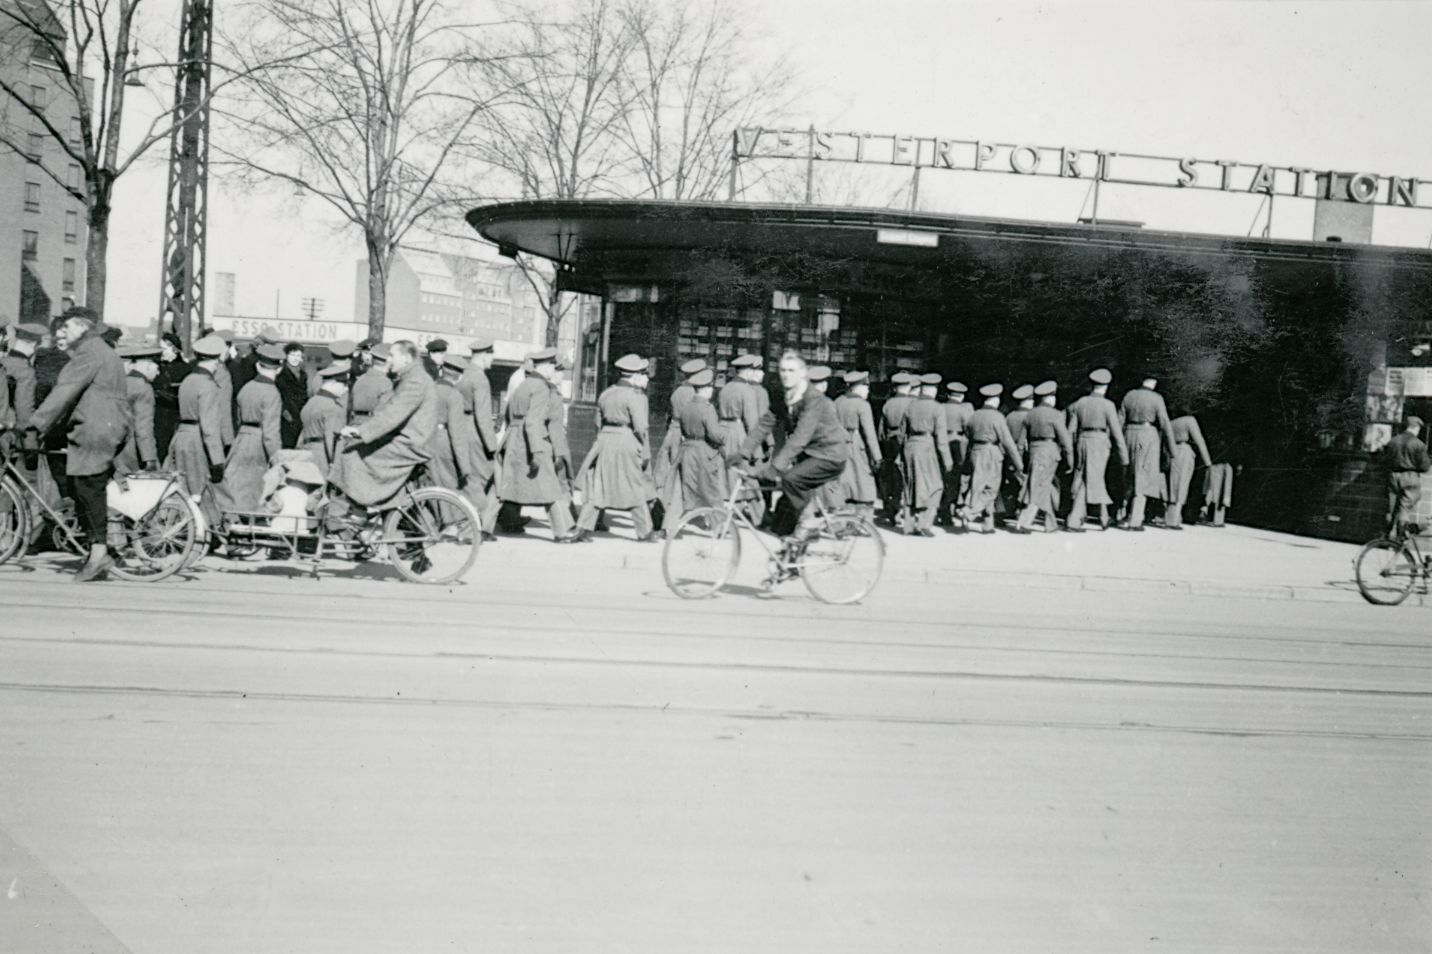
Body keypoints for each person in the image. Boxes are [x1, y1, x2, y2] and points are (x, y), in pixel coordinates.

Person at [28, 307, 130, 581]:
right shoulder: (101, 350)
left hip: (95, 428)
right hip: (105, 424)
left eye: (69, 326)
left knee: (88, 486)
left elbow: (64, 391)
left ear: (84, 327)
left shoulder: (89, 352)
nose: (64, 331)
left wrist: (35, 423)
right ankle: (99, 549)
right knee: (83, 487)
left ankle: (99, 554)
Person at [736, 351, 846, 554]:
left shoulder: (813, 399)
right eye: (783, 370)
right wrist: (743, 452)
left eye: (791, 370)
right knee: (783, 515)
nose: (786, 375)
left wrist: (775, 467)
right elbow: (765, 423)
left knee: (791, 479)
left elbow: (800, 436)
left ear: (803, 373)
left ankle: (810, 524)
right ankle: (791, 559)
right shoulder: (784, 395)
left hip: (829, 455)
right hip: (809, 456)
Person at [330, 340, 437, 513]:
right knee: (360, 451)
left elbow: (394, 414)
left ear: (406, 358)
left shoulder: (415, 380)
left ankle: (359, 509)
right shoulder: (411, 377)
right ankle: (370, 506)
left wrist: (360, 431)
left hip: (410, 443)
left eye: (392, 356)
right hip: (406, 438)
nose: (389, 360)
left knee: (353, 454)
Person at [567, 353, 659, 543]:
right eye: (642, 374)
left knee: (597, 486)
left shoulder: (606, 393)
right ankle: (644, 532)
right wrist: (644, 452)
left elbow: (598, 422)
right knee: (634, 485)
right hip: (626, 440)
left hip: (604, 441)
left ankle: (582, 528)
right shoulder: (635, 396)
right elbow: (641, 427)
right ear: (635, 375)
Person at [497, 348, 574, 540]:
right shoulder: (541, 388)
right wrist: (538, 451)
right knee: (550, 487)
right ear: (546, 367)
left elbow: (509, 413)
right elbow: (533, 421)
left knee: (508, 485)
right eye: (553, 367)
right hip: (532, 440)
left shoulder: (523, 384)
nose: (554, 371)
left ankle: (489, 526)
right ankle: (562, 531)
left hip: (514, 438)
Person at [165, 334, 228, 529]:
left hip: (181, 436)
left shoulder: (188, 380)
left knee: (181, 486)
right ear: (216, 361)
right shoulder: (208, 385)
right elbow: (210, 428)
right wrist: (217, 460)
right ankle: (200, 530)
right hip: (196, 440)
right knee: (199, 487)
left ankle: (186, 528)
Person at [216, 343, 284, 513]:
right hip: (258, 443)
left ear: (258, 366)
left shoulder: (247, 388)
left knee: (235, 483)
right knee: (252, 489)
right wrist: (277, 458)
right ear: (279, 369)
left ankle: (229, 516)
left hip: (241, 438)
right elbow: (270, 433)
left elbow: (238, 417)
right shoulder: (272, 393)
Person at [660, 367, 726, 530]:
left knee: (681, 489)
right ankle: (720, 526)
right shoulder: (708, 409)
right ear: (706, 389)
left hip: (685, 450)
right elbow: (714, 434)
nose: (712, 391)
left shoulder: (686, 407)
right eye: (711, 387)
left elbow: (682, 429)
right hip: (703, 451)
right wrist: (723, 438)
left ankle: (669, 525)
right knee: (710, 489)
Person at [1065, 368, 1129, 532]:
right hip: (1099, 443)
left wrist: (1069, 449)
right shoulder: (1108, 405)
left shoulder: (1080, 402)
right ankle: (1074, 519)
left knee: (1086, 476)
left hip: (1082, 441)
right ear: (1106, 386)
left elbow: (1071, 429)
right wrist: (1124, 455)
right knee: (1092, 478)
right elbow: (1116, 432)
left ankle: (1104, 517)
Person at [963, 383, 1024, 534]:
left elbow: (967, 434)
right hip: (991, 453)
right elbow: (1007, 441)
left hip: (975, 451)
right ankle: (970, 512)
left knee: (978, 486)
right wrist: (1019, 463)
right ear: (996, 400)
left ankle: (987, 524)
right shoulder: (997, 416)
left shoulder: (974, 415)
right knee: (991, 489)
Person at [456, 337, 501, 540]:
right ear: (484, 356)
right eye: (491, 355)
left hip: (460, 428)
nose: (492, 359)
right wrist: (492, 446)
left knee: (468, 480)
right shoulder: (480, 378)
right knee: (483, 480)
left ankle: (472, 527)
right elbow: (483, 417)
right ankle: (469, 531)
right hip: (475, 433)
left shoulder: (463, 374)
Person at [1119, 373, 1177, 531]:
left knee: (1129, 474)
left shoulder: (1129, 395)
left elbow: (1120, 419)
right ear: (1154, 382)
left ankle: (1121, 514)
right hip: (1147, 436)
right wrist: (1172, 450)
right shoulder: (1156, 398)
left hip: (1128, 434)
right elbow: (1164, 423)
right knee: (1143, 477)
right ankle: (1135, 520)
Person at [1014, 381, 1073, 533]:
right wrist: (1070, 460)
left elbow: (1021, 443)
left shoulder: (1029, 414)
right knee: (1038, 487)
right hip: (1049, 452)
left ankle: (1050, 523)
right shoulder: (1056, 415)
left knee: (1044, 485)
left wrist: (1020, 461)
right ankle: (1024, 522)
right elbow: (1065, 441)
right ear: (1050, 398)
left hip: (1034, 451)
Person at [655, 358, 709, 522]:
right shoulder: (693, 394)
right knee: (682, 476)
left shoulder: (678, 391)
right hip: (684, 436)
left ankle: (661, 509)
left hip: (672, 432)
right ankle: (672, 515)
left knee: (667, 474)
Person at [900, 372, 951, 536]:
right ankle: (923, 524)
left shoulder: (910, 406)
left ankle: (908, 525)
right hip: (927, 447)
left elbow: (902, 432)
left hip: (910, 446)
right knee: (934, 486)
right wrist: (947, 460)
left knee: (911, 485)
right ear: (934, 390)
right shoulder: (937, 408)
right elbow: (941, 438)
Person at [425, 351, 476, 499]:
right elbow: (457, 433)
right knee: (447, 488)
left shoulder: (429, 389)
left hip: (424, 439)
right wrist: (464, 466)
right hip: (442, 443)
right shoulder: (454, 395)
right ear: (459, 376)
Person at [833, 370, 882, 518]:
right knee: (863, 485)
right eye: (866, 387)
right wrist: (877, 456)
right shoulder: (863, 405)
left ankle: (846, 517)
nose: (868, 391)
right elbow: (870, 433)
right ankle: (863, 520)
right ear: (859, 387)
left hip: (839, 446)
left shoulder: (838, 401)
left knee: (845, 483)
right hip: (856, 446)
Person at [299, 362, 351, 476]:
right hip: (322, 457)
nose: (346, 389)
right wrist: (335, 465)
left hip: (305, 453)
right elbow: (332, 440)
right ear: (332, 384)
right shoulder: (332, 407)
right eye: (343, 384)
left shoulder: (311, 402)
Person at [114, 343, 160, 474]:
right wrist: (149, 458)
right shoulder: (143, 388)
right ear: (148, 366)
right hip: (130, 450)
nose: (158, 373)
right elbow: (143, 426)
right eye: (157, 368)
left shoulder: (121, 382)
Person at [1384, 416, 1432, 536]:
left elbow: (1385, 460)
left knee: (1391, 507)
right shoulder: (1418, 444)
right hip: (1410, 477)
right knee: (1404, 508)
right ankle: (1400, 536)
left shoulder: (1393, 441)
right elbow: (1425, 467)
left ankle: (1387, 535)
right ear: (1416, 428)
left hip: (1393, 475)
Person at [1164, 411, 1213, 530]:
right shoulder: (1189, 420)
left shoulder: (1171, 422)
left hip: (1171, 451)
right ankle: (1174, 520)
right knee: (1182, 484)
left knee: (1172, 485)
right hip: (1184, 452)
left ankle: (1169, 517)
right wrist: (1208, 462)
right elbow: (1199, 440)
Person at [879, 371, 915, 526]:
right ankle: (902, 509)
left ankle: (891, 507)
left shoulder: (888, 403)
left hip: (890, 442)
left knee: (891, 477)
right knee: (905, 477)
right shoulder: (912, 403)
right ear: (908, 387)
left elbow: (881, 430)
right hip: (905, 441)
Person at [939, 380, 973, 526]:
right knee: (954, 479)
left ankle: (940, 509)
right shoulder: (963, 410)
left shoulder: (940, 407)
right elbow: (969, 429)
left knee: (941, 477)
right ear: (962, 396)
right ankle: (948, 511)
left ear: (949, 395)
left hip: (940, 443)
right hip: (957, 445)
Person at [153, 332, 190, 460]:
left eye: (164, 349)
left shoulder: (184, 369)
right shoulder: (156, 366)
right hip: (157, 413)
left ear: (174, 349)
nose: (161, 352)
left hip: (173, 414)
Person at [351, 343, 395, 424]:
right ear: (389, 360)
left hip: (354, 423)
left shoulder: (361, 378)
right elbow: (384, 412)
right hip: (372, 424)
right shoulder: (386, 383)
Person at [276, 342, 309, 449]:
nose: (295, 358)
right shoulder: (280, 375)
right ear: (286, 356)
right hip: (285, 417)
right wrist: (287, 415)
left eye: (298, 355)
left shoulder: (303, 375)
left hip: (300, 416)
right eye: (293, 355)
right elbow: (279, 398)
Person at [213, 330, 237, 450]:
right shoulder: (222, 373)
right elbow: (224, 407)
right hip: (217, 433)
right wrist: (228, 439)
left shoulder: (205, 368)